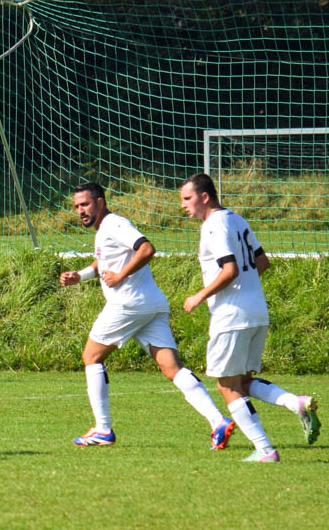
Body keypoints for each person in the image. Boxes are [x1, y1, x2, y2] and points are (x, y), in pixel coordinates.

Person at [58, 181, 233, 448]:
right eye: (77, 206)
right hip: (151, 304)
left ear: (100, 202)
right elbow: (104, 260)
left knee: (91, 357)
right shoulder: (105, 229)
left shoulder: (114, 224)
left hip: (128, 304)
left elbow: (147, 249)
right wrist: (80, 276)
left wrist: (120, 276)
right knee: (172, 368)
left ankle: (103, 429)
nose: (80, 210)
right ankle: (218, 422)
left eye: (85, 204)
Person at [178, 172, 319, 462]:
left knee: (226, 386)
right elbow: (262, 262)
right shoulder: (237, 219)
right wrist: (248, 289)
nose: (183, 205)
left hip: (231, 315)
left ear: (204, 197)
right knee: (242, 382)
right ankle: (296, 403)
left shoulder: (213, 225)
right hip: (257, 311)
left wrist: (199, 296)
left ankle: (264, 449)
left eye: (187, 198)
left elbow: (229, 270)